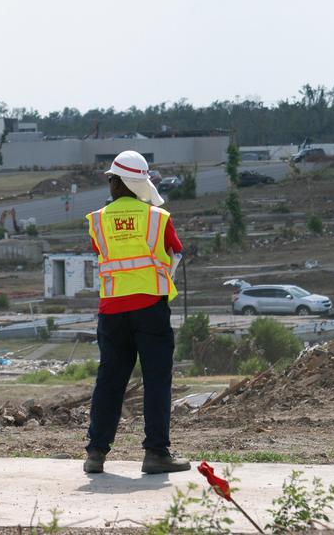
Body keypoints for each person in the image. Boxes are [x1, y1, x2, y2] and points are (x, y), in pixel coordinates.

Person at [83, 150, 190, 475]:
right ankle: (156, 453)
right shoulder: (159, 219)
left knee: (110, 381)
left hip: (112, 310)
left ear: (117, 182)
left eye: (111, 179)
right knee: (156, 380)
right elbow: (176, 252)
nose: (109, 185)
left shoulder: (97, 220)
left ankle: (96, 454)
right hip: (150, 310)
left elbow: (101, 252)